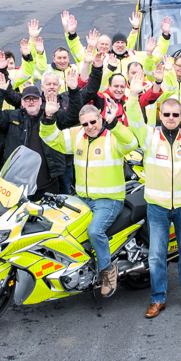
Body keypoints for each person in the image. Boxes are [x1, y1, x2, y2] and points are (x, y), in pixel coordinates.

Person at [126, 71, 181, 318]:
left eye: (176, 114)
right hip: (157, 207)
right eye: (167, 114)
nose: (172, 118)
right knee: (156, 256)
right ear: (160, 115)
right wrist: (132, 97)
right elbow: (134, 120)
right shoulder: (150, 137)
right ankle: (158, 299)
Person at [42, 102, 137, 297]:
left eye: (93, 122)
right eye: (85, 124)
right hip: (83, 198)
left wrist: (115, 125)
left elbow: (130, 144)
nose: (90, 126)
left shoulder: (112, 135)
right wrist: (49, 119)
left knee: (94, 231)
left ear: (101, 119)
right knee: (63, 227)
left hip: (109, 200)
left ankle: (107, 271)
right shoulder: (78, 135)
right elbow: (53, 139)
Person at [0, 70, 82, 199]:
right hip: (18, 182)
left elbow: (74, 116)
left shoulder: (52, 115)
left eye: (34, 99)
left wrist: (74, 90)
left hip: (48, 181)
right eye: (27, 99)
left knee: (49, 216)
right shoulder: (12, 116)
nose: (31, 102)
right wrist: (0, 92)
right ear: (22, 102)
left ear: (40, 101)